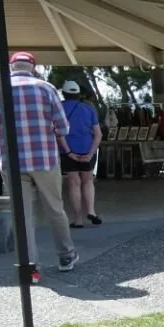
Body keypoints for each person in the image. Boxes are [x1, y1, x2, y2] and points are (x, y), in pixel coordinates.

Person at [0, 51, 77, 281]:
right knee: (55, 208)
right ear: (33, 67)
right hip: (44, 159)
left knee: (22, 215)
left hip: (12, 161)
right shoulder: (46, 88)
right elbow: (63, 128)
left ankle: (30, 268)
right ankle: (66, 255)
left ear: (11, 67)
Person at [59, 79, 102, 227]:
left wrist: (69, 152)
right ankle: (91, 210)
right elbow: (98, 134)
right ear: (79, 94)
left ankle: (78, 220)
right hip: (87, 149)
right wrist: (91, 153)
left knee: (74, 183)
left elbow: (59, 133)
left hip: (68, 151)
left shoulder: (59, 109)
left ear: (63, 94)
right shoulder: (88, 109)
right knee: (88, 181)